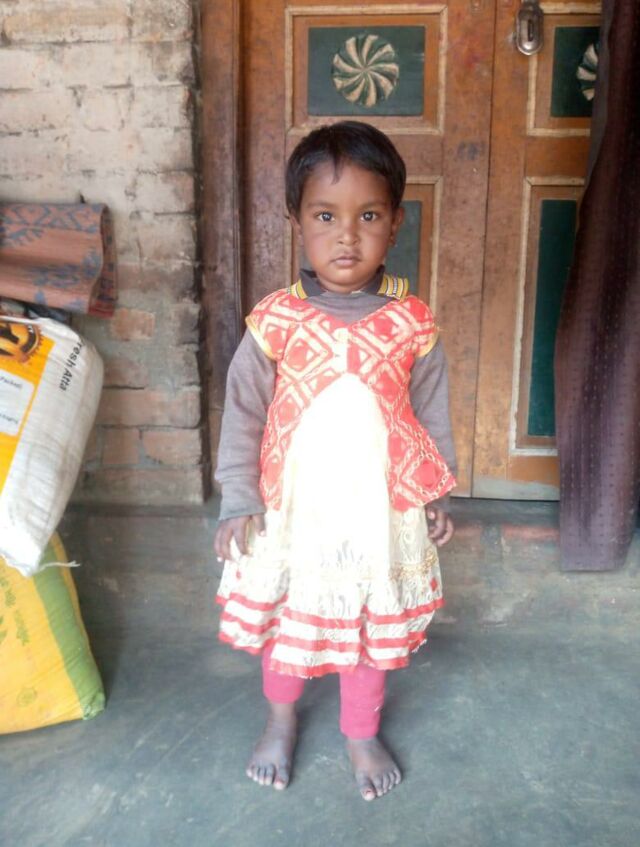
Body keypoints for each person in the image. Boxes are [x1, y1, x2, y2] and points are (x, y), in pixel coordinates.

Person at [214, 120, 457, 801]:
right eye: (325, 216)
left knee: (367, 627)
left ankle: (360, 731)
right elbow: (243, 411)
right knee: (288, 618)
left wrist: (435, 491)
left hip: (379, 516)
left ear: (396, 222)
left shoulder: (412, 322)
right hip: (295, 515)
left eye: (368, 216)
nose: (347, 236)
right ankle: (280, 719)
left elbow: (430, 414)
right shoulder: (275, 321)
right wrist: (238, 499)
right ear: (296, 222)